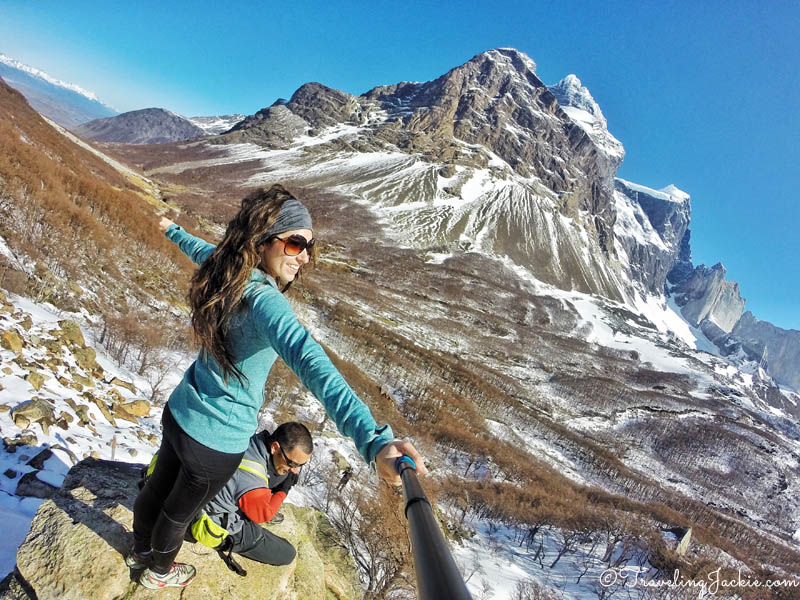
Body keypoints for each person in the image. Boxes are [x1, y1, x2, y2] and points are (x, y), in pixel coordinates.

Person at [129, 185, 427, 590]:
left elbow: (199, 249)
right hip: (216, 441)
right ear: (262, 240)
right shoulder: (266, 302)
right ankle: (159, 572)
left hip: (181, 412)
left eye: (309, 247)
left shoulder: (226, 269)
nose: (304, 257)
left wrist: (172, 229)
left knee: (159, 486)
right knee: (178, 512)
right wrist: (373, 441)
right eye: (295, 243)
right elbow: (312, 363)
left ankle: (139, 551)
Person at [197, 422, 311, 570]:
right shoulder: (253, 480)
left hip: (209, 492)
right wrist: (284, 489)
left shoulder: (252, 439)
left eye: (300, 465)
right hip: (216, 521)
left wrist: (285, 473)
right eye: (292, 463)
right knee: (288, 553)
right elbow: (264, 515)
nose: (294, 470)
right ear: (275, 447)